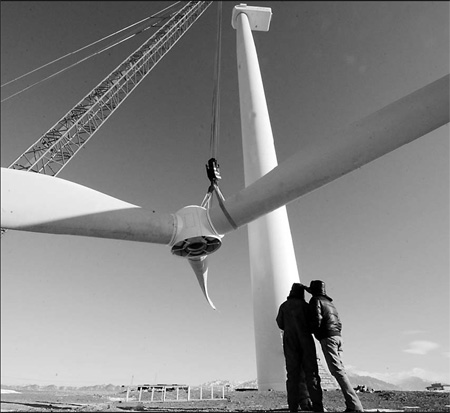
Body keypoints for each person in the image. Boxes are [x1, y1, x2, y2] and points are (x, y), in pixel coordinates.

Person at [303, 280, 364, 412]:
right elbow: (339, 322)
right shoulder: (330, 303)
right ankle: (351, 404)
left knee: (337, 371)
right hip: (338, 337)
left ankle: (355, 405)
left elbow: (317, 321)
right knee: (340, 370)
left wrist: (312, 331)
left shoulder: (315, 301)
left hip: (328, 337)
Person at [276, 283, 324, 412]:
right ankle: (318, 406)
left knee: (292, 375)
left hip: (290, 342)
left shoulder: (284, 306)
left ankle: (293, 407)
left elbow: (280, 323)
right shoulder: (306, 306)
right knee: (312, 373)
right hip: (305, 340)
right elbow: (313, 322)